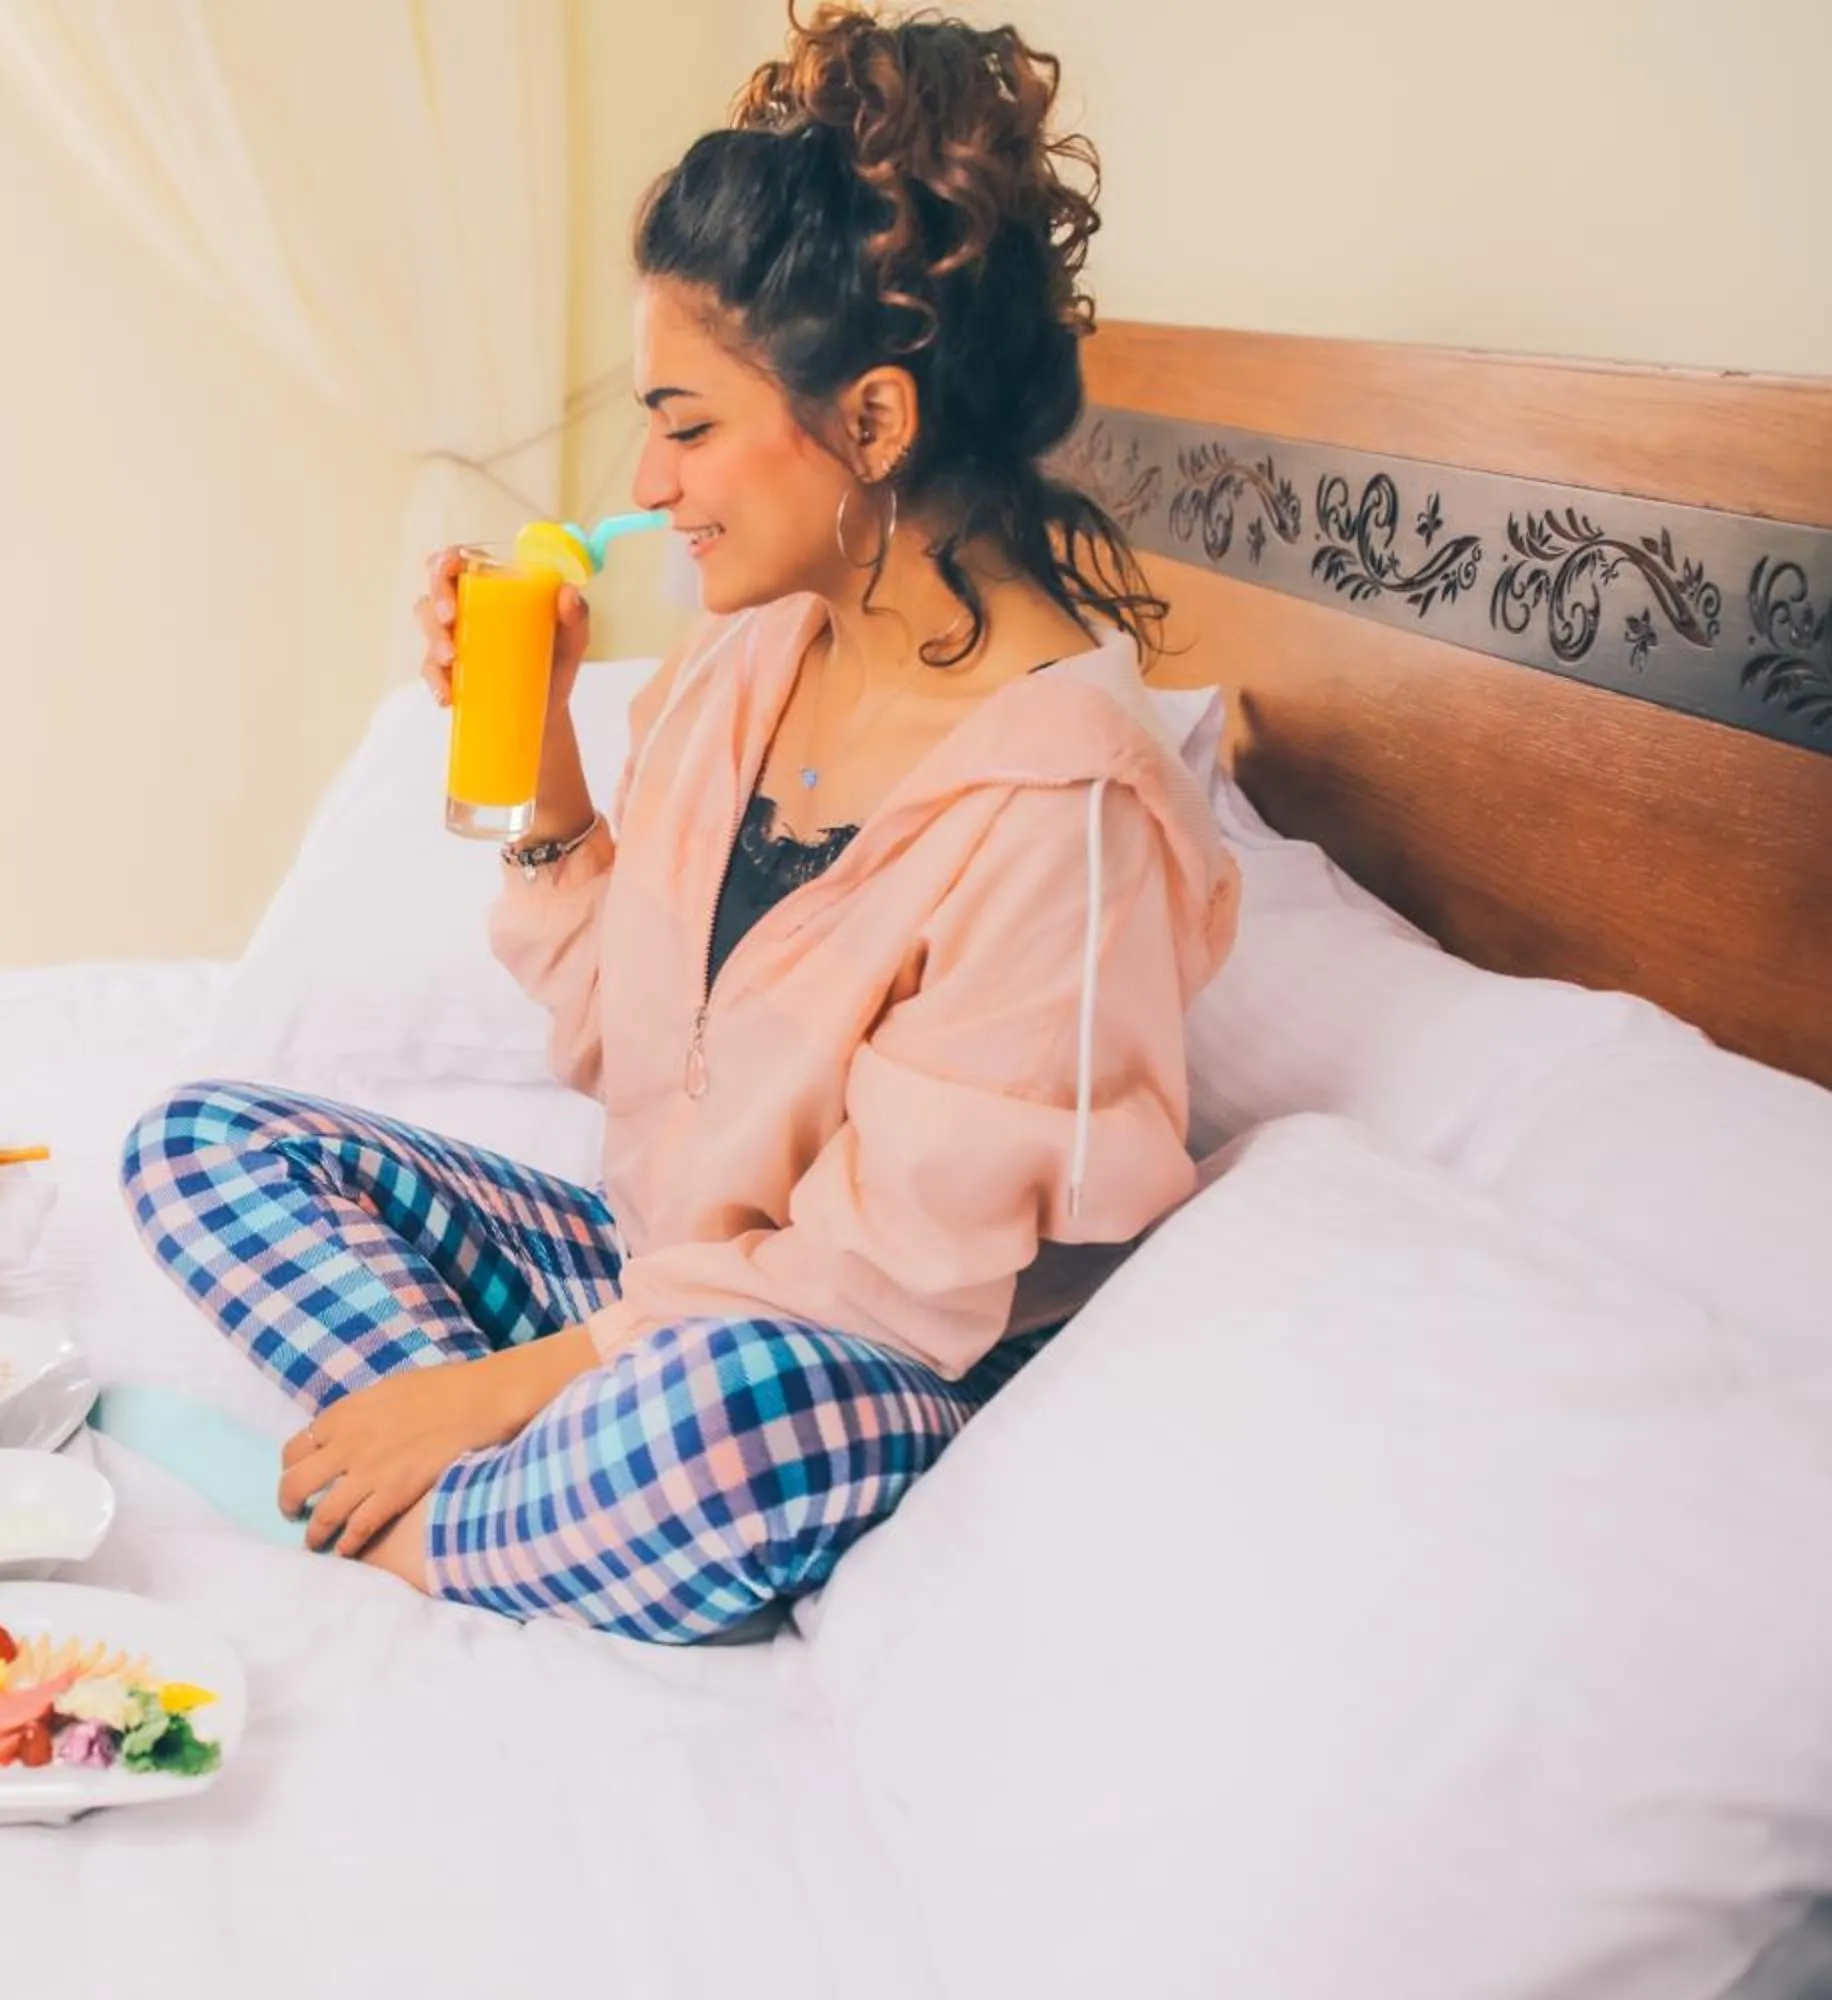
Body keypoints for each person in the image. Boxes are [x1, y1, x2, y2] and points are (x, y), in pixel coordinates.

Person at [122, 6, 1239, 1644]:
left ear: (870, 424)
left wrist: (516, 1384)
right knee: (203, 1144)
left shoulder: (1066, 812)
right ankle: (512, 1502)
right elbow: (624, 1044)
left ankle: (421, 1533)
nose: (646, 477)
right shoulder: (749, 659)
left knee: (714, 1416)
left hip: (820, 1379)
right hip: (654, 1291)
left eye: (689, 422)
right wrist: (539, 765)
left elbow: (888, 1286)